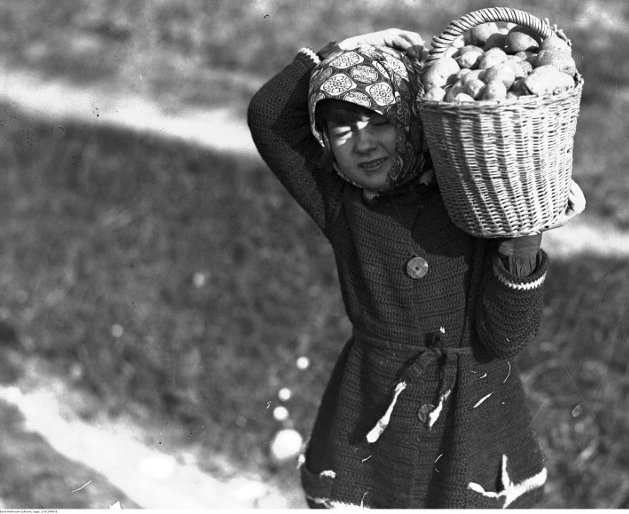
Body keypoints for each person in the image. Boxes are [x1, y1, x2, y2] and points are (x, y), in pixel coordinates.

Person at [247, 28, 585, 509]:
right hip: (375, 399)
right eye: (342, 129)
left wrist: (523, 244)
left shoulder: (472, 197)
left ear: (411, 119)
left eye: (378, 121)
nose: (363, 144)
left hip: (471, 411)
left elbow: (507, 338)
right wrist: (346, 47)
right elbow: (268, 115)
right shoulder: (343, 203)